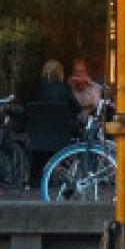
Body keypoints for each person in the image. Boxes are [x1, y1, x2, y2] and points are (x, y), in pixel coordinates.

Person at [23, 59, 84, 187]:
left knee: (38, 156)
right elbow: (77, 108)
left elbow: (26, 109)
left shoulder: (36, 89)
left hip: (38, 135)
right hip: (61, 134)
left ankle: (33, 180)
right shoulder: (64, 88)